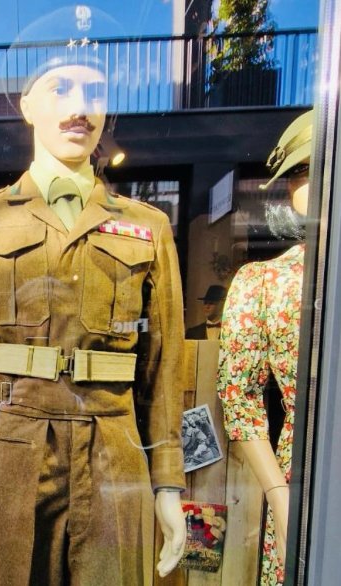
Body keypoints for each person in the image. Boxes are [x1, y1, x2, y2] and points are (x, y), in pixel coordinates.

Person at [0, 7, 187, 585]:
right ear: (27, 105)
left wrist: (168, 481)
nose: (80, 107)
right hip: (7, 451)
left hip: (114, 449)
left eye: (94, 92)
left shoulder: (147, 227)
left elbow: (164, 366)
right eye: (60, 87)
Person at [217, 109, 312, 585]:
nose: (317, 183)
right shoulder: (265, 282)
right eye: (303, 171)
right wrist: (279, 494)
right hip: (303, 479)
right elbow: (240, 399)